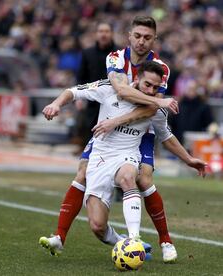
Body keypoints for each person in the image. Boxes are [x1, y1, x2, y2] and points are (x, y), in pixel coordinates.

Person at [39, 16, 181, 263]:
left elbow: (150, 111)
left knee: (142, 178)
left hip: (140, 131)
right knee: (82, 171)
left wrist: (135, 113)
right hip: (109, 128)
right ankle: (61, 237)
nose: (141, 41)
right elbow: (122, 90)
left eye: (147, 37)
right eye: (137, 35)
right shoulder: (115, 58)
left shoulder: (160, 68)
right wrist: (157, 101)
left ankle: (165, 242)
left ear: (154, 39)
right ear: (129, 35)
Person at [39, 61, 207, 258]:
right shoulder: (109, 89)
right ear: (136, 79)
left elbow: (166, 137)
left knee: (129, 177)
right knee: (97, 226)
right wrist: (55, 104)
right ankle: (124, 243)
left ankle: (134, 239)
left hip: (127, 155)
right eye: (147, 85)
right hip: (100, 157)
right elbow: (73, 91)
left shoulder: (155, 109)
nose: (151, 91)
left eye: (156, 87)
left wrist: (188, 159)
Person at [75, 22, 119, 153]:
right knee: (90, 128)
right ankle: (88, 156)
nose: (103, 34)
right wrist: (79, 97)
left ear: (111, 34)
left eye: (106, 31)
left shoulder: (120, 53)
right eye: (100, 31)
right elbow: (81, 77)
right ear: (96, 34)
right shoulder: (87, 53)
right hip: (92, 100)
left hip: (114, 99)